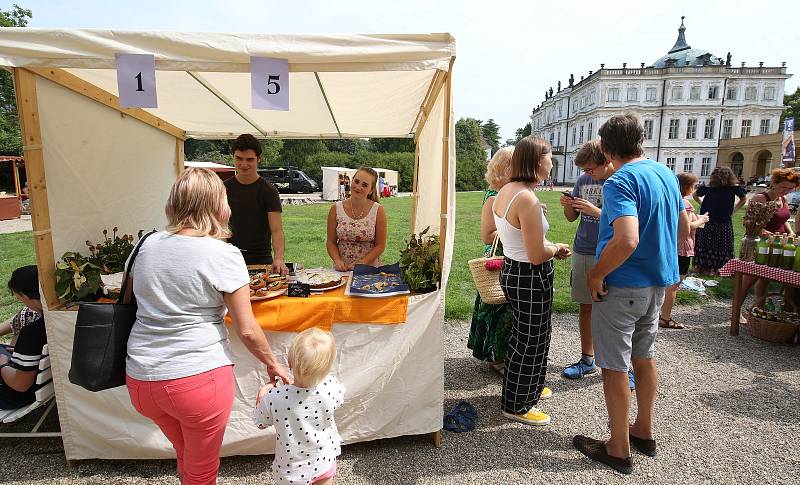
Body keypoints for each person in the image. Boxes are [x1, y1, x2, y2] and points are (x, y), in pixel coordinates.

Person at [125, 168, 290, 485]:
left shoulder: (144, 244)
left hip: (142, 378)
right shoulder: (223, 254)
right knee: (201, 472)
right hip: (196, 377)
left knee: (187, 456)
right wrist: (273, 363)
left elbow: (135, 302)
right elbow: (247, 329)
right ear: (218, 205)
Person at [573, 114, 688, 475]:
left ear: (606, 149)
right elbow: (682, 224)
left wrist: (596, 272)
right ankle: (644, 430)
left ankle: (618, 447)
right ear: (641, 140)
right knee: (644, 356)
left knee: (614, 366)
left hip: (623, 285)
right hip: (657, 282)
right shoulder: (665, 173)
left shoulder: (620, 181)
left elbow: (626, 238)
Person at [493, 136, 572, 426]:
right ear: (538, 161)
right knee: (530, 340)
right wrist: (557, 249)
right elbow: (537, 253)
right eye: (550, 156)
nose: (552, 162)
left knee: (528, 336)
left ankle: (531, 387)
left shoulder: (509, 190)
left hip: (515, 269)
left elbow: (522, 239)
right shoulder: (526, 197)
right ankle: (517, 404)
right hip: (529, 274)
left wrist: (548, 245)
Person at [252, 328, 344, 485]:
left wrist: (261, 397)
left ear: (289, 363)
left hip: (291, 471)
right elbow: (339, 401)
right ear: (327, 368)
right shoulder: (332, 386)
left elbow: (260, 422)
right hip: (324, 461)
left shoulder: (275, 398)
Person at [560, 139, 613, 379]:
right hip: (584, 248)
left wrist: (596, 211)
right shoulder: (583, 181)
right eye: (585, 171)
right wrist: (568, 205)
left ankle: (621, 365)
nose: (587, 174)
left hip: (610, 251)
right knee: (586, 306)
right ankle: (587, 359)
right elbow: (571, 218)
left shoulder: (617, 181)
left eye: (591, 169)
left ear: (606, 161)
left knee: (614, 309)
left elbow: (624, 223)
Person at [468, 147, 515, 374]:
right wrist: (518, 225)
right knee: (497, 305)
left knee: (503, 307)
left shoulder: (504, 194)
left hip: (507, 257)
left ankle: (499, 354)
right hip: (497, 260)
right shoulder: (494, 196)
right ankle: (496, 358)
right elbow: (487, 235)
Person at [736, 168, 800, 313]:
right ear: (774, 183)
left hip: (779, 244)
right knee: (749, 279)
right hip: (761, 243)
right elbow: (748, 222)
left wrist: (790, 233)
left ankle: (760, 309)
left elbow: (783, 219)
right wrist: (768, 235)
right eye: (784, 187)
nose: (786, 191)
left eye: (790, 188)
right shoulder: (761, 198)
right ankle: (735, 312)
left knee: (765, 280)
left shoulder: (783, 199)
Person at [224, 134, 288, 275]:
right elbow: (217, 226)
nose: (244, 164)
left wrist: (279, 258)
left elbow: (277, 230)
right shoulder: (222, 189)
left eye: (250, 159)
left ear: (259, 158)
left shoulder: (269, 191)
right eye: (239, 158)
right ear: (233, 157)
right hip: (229, 258)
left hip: (261, 259)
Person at [659, 173, 710, 330]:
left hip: (668, 244)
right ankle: (665, 317)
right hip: (681, 247)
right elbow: (686, 228)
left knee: (663, 283)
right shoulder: (684, 203)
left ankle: (656, 314)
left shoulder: (667, 200)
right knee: (674, 284)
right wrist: (701, 220)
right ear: (687, 187)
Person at [1, 265, 47, 410]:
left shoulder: (32, 333)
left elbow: (20, 385)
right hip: (43, 385)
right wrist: (19, 353)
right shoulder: (53, 321)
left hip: (14, 396)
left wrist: (2, 363)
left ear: (25, 296)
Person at [326, 167, 387, 271]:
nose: (358, 187)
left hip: (369, 270)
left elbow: (380, 245)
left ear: (371, 190)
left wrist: (362, 263)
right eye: (356, 181)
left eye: (365, 185)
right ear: (351, 181)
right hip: (342, 269)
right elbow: (330, 242)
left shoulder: (378, 210)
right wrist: (337, 260)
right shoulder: (335, 208)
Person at [692, 166, 747, 275]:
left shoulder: (733, 188)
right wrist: (702, 203)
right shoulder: (710, 187)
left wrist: (733, 210)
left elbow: (743, 198)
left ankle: (712, 267)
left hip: (720, 219)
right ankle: (704, 266)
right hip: (709, 218)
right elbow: (695, 195)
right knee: (713, 243)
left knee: (714, 243)